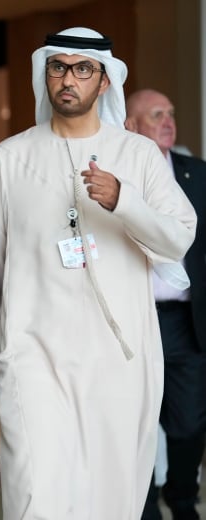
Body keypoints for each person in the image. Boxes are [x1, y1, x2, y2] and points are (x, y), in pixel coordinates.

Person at [0, 27, 197, 519]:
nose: (69, 79)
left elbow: (178, 237)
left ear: (104, 82)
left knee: (112, 495)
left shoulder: (138, 155)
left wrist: (123, 201)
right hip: (32, 353)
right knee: (33, 491)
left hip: (119, 358)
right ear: (45, 75)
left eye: (82, 69)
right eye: (58, 67)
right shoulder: (11, 157)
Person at [125, 88, 206, 520]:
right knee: (135, 423)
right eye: (156, 115)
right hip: (133, 321)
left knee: (190, 423)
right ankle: (141, 506)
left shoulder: (197, 174)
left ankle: (181, 498)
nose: (168, 121)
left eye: (171, 113)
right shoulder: (115, 176)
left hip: (184, 320)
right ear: (131, 126)